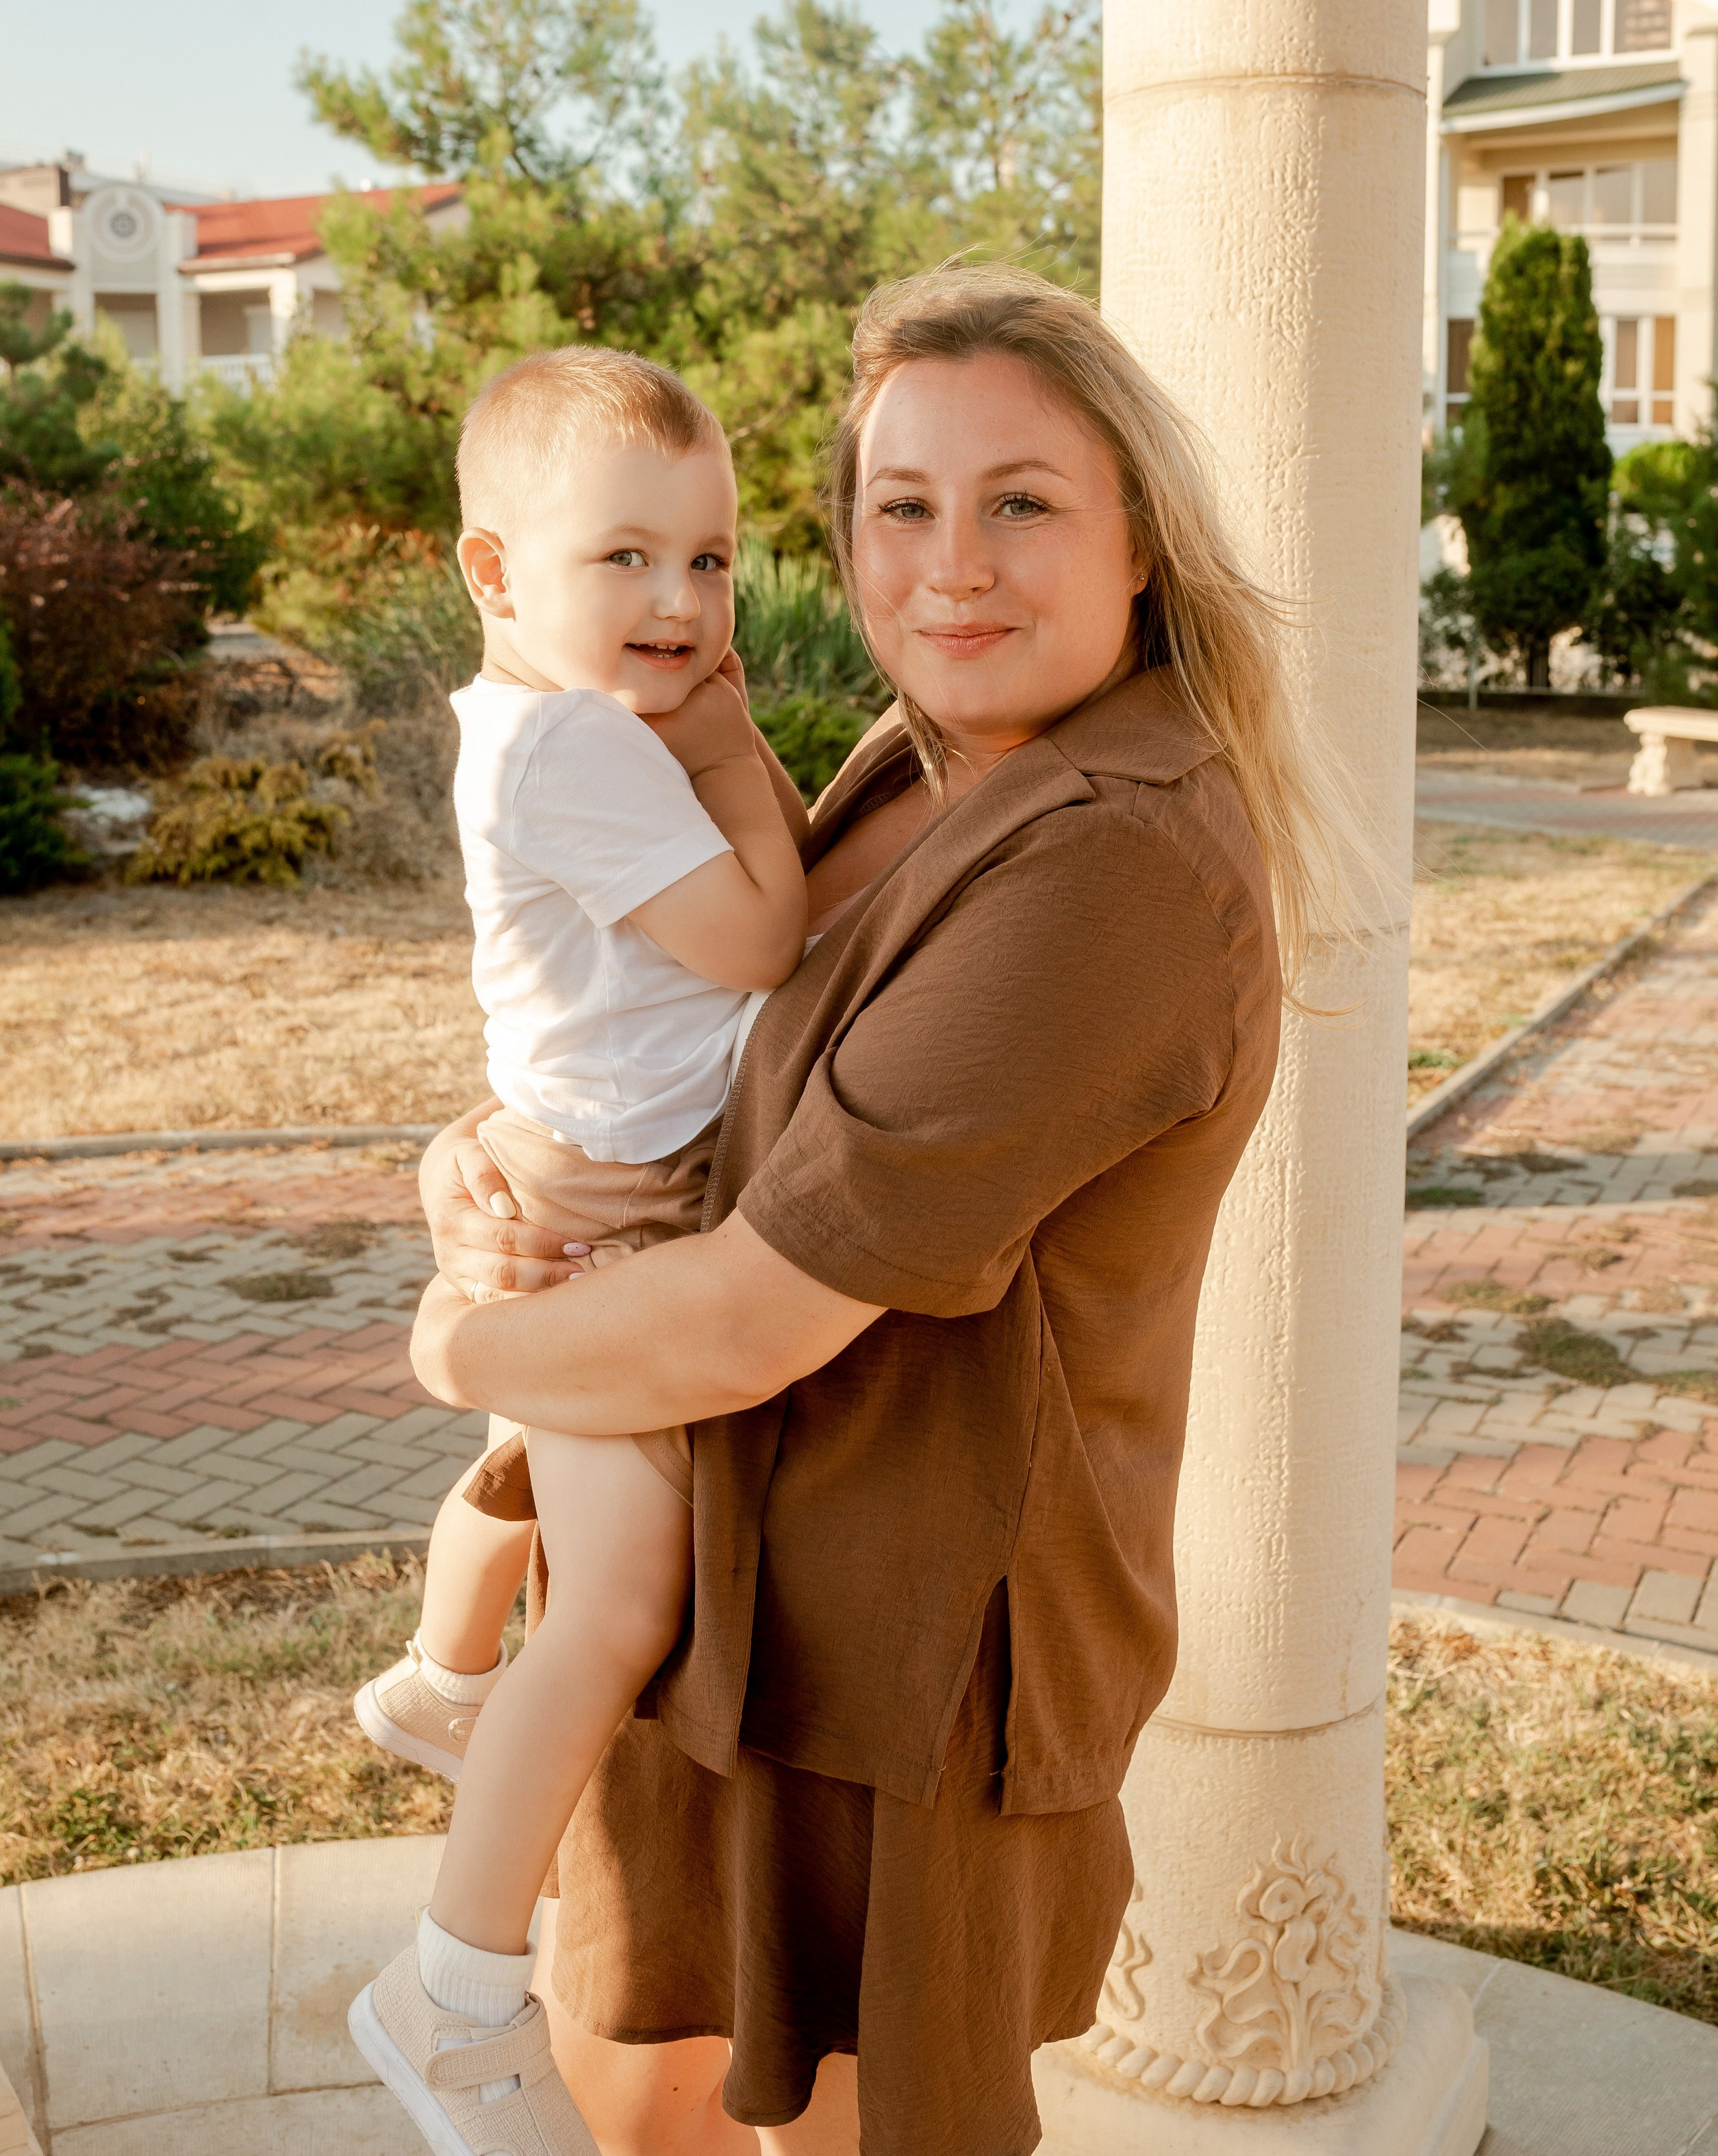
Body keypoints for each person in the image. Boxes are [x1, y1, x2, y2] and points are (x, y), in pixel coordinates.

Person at [399, 265, 1362, 2156]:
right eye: (899, 506)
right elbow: (711, 1054)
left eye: (1022, 501)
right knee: (644, 2083)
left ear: (1141, 538)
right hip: (739, 1576)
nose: (953, 566)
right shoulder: (926, 765)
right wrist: (496, 1148)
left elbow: (765, 1302)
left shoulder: (1113, 854)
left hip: (900, 1658)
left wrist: (458, 1341)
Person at [349, 347, 810, 2156]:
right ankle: (453, 1994)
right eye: (626, 558)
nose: (684, 604)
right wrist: (728, 742)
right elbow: (766, 934)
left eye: (710, 562)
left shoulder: (531, 731)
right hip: (609, 1230)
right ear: (494, 573)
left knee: (534, 1481)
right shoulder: (585, 750)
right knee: (622, 1607)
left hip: (581, 1185)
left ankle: (446, 1679)